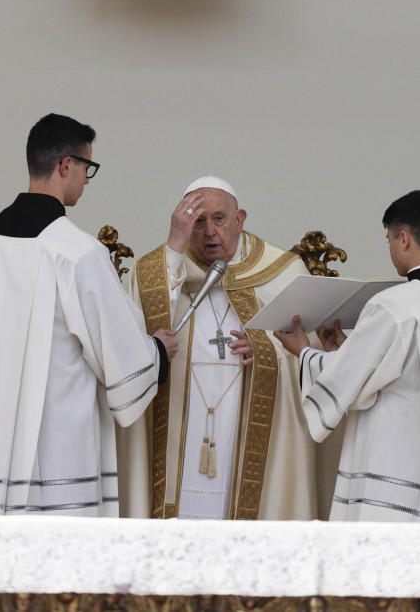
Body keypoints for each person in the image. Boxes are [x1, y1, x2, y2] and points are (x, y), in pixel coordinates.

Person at [0, 113, 177, 516]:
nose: (86, 179)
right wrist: (158, 352)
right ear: (67, 165)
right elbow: (120, 354)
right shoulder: (77, 253)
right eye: (88, 168)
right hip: (55, 449)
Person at [274, 190, 420, 523]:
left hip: (401, 465)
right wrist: (345, 349)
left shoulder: (396, 305)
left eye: (388, 239)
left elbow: (347, 382)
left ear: (403, 238)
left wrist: (304, 352)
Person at [118, 176, 324, 520]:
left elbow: (312, 360)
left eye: (219, 219)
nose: (209, 232)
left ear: (240, 219)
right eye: (197, 221)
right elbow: (127, 344)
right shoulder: (162, 274)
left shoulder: (284, 274)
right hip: (179, 438)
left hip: (243, 440)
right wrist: (173, 245)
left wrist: (268, 353)